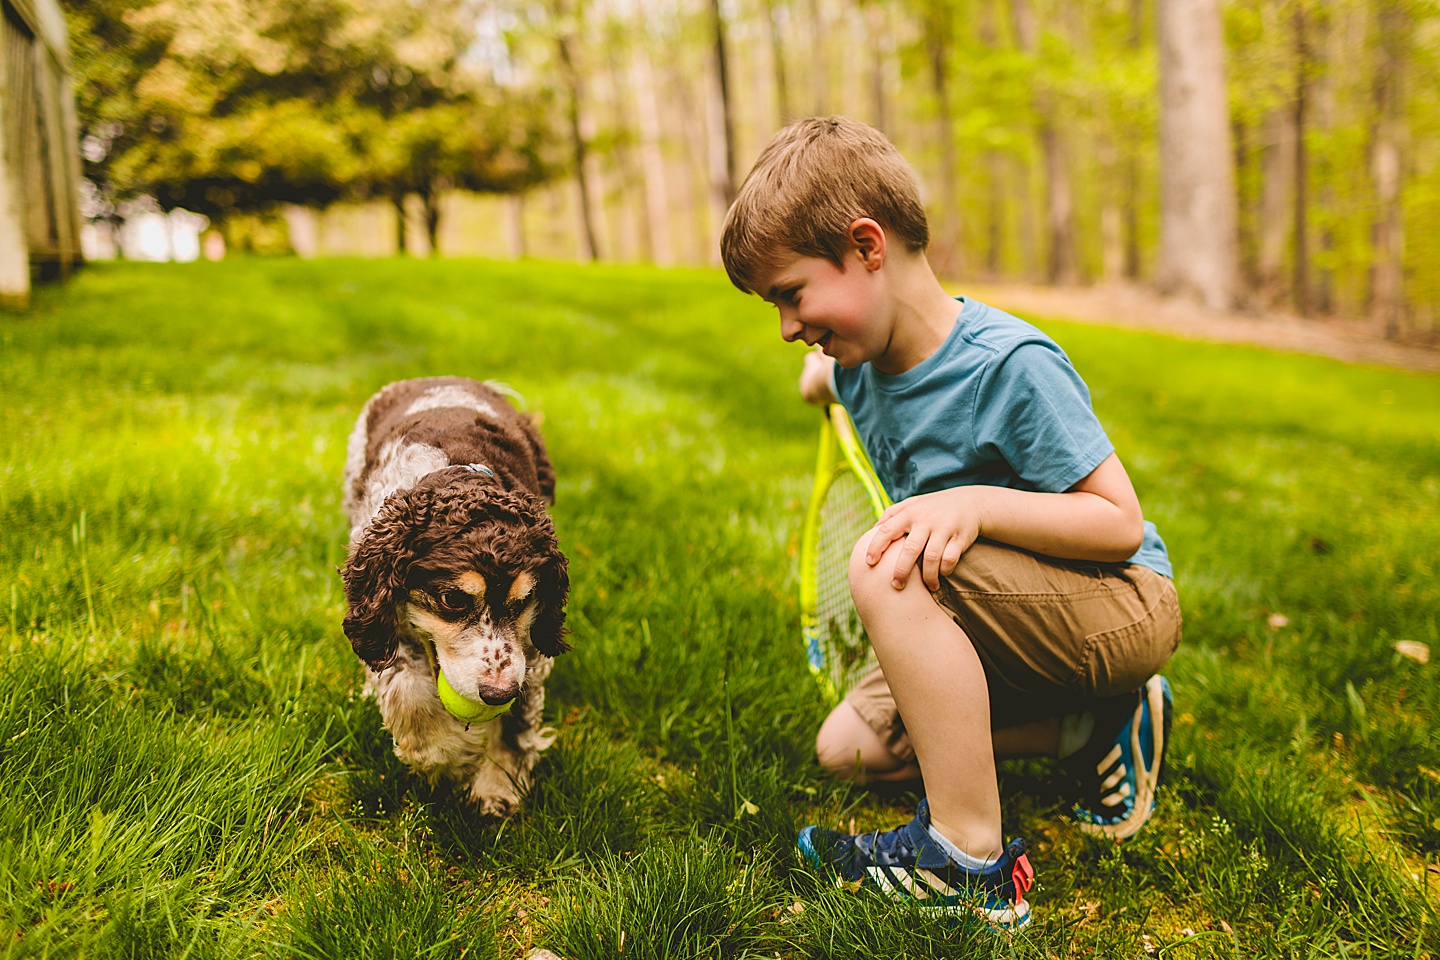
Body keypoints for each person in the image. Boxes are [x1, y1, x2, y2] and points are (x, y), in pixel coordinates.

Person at [719, 117, 1182, 933]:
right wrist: (816, 374)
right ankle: (1099, 726)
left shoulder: (1008, 365)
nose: (789, 325)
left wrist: (971, 503)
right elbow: (818, 376)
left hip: (1119, 607)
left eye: (792, 295)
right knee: (851, 750)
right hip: (1005, 616)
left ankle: (969, 861)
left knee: (887, 555)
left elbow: (1118, 523)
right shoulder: (855, 362)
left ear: (868, 247)